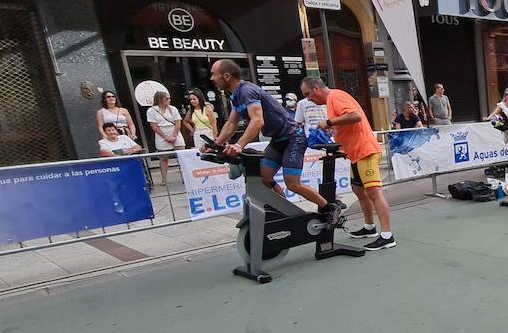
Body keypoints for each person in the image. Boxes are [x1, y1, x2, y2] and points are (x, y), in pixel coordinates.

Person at [209, 59, 342, 225]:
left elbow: (257, 121)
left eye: (214, 74)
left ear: (226, 76)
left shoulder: (247, 91)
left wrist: (238, 145)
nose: (211, 78)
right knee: (263, 177)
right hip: (278, 139)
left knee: (292, 184)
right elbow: (231, 123)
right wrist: (214, 145)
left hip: (294, 137)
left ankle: (329, 208)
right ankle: (287, 211)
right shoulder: (235, 95)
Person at [301, 76, 396, 250]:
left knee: (374, 192)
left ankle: (387, 236)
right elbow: (347, 124)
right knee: (358, 190)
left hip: (365, 151)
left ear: (316, 88)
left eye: (308, 93)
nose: (308, 98)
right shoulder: (331, 101)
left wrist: (329, 122)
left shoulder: (335, 96)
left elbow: (356, 116)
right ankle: (370, 227)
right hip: (354, 153)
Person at [144, 90, 185, 185]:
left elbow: (178, 122)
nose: (169, 100)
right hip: (161, 132)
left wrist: (174, 135)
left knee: (182, 154)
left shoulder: (173, 109)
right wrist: (165, 137)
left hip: (174, 130)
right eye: (167, 98)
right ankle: (164, 179)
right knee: (164, 158)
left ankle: (185, 175)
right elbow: (153, 125)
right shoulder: (152, 110)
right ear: (160, 99)